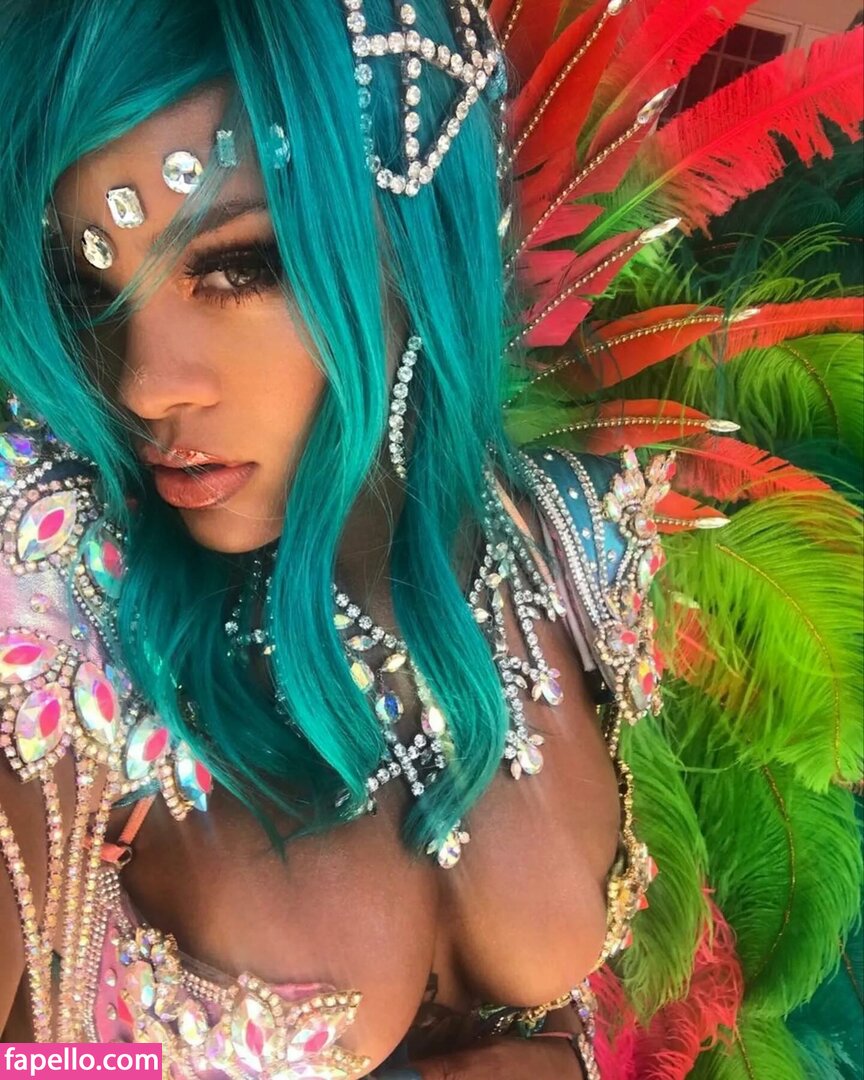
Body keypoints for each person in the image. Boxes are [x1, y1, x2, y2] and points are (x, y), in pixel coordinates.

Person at [0, 2, 861, 1078]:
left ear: (416, 251)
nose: (143, 385)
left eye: (235, 268)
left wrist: (559, 1058)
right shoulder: (52, 615)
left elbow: (623, 983)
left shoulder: (575, 550)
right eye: (92, 290)